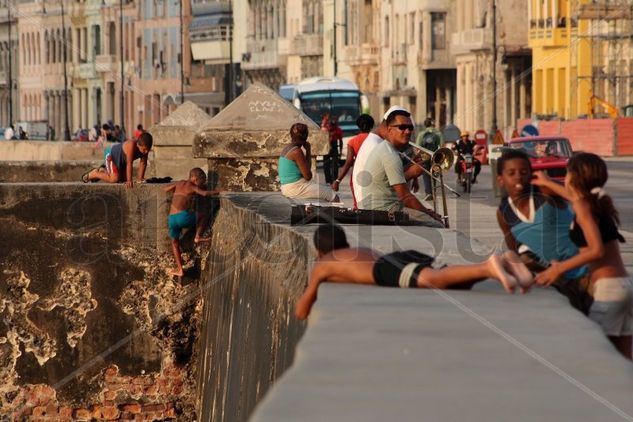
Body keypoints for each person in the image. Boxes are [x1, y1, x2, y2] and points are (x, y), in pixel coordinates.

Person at [295, 224, 533, 320]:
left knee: (436, 281)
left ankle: (488, 266)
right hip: (397, 257)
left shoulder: (323, 262)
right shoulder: (356, 251)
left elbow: (302, 310)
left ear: (319, 249)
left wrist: (316, 277)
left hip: (385, 269)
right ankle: (505, 261)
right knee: (454, 282)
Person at [532, 153, 631, 360]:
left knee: (597, 353)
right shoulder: (594, 202)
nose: (565, 176)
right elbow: (574, 198)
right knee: (624, 355)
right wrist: (548, 182)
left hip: (608, 291)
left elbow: (597, 250)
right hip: (624, 286)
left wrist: (558, 268)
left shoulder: (584, 206)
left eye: (568, 171)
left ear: (574, 177)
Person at [496, 149, 590, 312]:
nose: (518, 176)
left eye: (524, 172)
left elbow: (581, 197)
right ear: (500, 180)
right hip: (556, 278)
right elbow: (515, 251)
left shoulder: (545, 192)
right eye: (511, 173)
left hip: (586, 272)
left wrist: (548, 182)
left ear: (531, 175)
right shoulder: (504, 213)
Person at [355, 108, 435, 218]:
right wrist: (428, 214)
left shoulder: (387, 149)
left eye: (410, 128)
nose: (407, 131)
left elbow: (388, 180)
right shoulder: (389, 154)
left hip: (386, 207)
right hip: (383, 211)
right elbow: (406, 197)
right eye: (402, 127)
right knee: (435, 223)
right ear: (389, 129)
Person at [164, 167, 220, 277]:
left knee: (174, 243)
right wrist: (219, 191)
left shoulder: (180, 183)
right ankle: (198, 236)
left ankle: (180, 269)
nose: (203, 183)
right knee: (203, 214)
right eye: (202, 181)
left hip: (171, 219)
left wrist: (174, 187)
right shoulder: (192, 185)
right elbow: (204, 194)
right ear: (195, 179)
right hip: (182, 217)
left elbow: (165, 189)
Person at [278, 123, 339, 202]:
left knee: (320, 189)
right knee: (332, 195)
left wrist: (308, 150)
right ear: (306, 137)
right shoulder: (297, 152)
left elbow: (306, 171)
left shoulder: (288, 148)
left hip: (289, 186)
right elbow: (308, 176)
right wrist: (308, 151)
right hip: (295, 187)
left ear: (291, 135)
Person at [331, 114, 374, 208]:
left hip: (358, 175)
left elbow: (348, 163)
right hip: (374, 174)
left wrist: (337, 181)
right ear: (371, 126)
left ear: (358, 126)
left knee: (358, 203)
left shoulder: (353, 141)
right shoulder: (377, 140)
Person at [84, 132, 153, 188]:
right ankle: (94, 174)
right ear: (138, 144)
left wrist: (140, 178)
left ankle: (103, 170)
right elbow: (129, 163)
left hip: (122, 161)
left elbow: (143, 163)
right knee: (114, 179)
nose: (146, 152)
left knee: (122, 180)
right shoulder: (131, 145)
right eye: (144, 149)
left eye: (148, 149)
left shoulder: (145, 151)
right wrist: (129, 180)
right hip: (111, 156)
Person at [415, 117, 443, 200]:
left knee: (426, 174)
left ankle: (428, 192)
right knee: (434, 173)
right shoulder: (438, 133)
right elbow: (442, 146)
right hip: (435, 156)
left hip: (425, 157)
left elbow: (418, 147)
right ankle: (433, 192)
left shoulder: (421, 133)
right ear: (433, 124)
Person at [323, 117, 343, 184]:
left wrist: (340, 151)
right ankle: (328, 179)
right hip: (327, 147)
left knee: (335, 164)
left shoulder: (338, 130)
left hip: (334, 147)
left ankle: (334, 179)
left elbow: (340, 141)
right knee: (326, 164)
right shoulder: (325, 130)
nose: (331, 127)